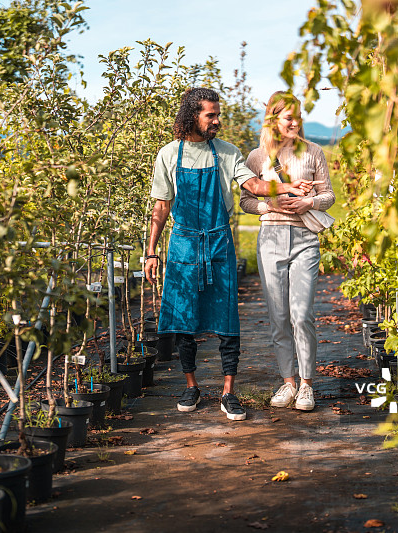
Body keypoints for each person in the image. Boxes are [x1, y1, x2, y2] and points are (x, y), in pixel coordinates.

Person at [144, 88, 313, 421]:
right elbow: (161, 206)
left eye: (218, 115)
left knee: (226, 321)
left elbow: (253, 185)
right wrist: (150, 251)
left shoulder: (227, 152)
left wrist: (286, 186)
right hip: (183, 244)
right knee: (184, 321)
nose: (217, 121)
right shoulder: (168, 154)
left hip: (218, 242)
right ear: (192, 115)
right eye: (211, 115)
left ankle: (228, 392)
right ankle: (191, 385)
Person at [239, 91, 335, 411]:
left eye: (298, 116)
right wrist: (270, 204)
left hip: (305, 237)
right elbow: (245, 202)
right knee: (278, 316)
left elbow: (328, 196)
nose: (295, 122)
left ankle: (307, 384)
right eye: (288, 117)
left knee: (301, 313)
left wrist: (309, 201)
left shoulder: (314, 153)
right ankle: (287, 381)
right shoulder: (257, 158)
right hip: (270, 238)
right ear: (273, 120)